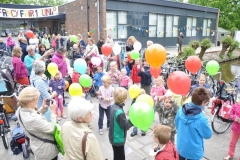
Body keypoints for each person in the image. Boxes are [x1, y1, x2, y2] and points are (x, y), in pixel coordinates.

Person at [16, 87, 59, 160]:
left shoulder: (20, 110)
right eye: (37, 99)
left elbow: (35, 120)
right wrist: (53, 113)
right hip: (46, 151)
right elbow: (52, 128)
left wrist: (43, 108)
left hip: (37, 146)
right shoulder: (32, 119)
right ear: (31, 102)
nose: (38, 101)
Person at [175, 87, 212, 160]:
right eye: (207, 101)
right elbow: (208, 135)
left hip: (181, 146)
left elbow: (176, 124)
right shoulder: (201, 119)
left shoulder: (181, 109)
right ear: (203, 102)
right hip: (193, 151)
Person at [109, 87, 133, 160]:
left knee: (116, 155)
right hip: (118, 139)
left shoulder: (114, 106)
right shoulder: (119, 112)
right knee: (120, 157)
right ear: (124, 99)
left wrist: (124, 114)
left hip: (113, 136)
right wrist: (133, 121)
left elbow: (117, 118)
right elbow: (125, 126)